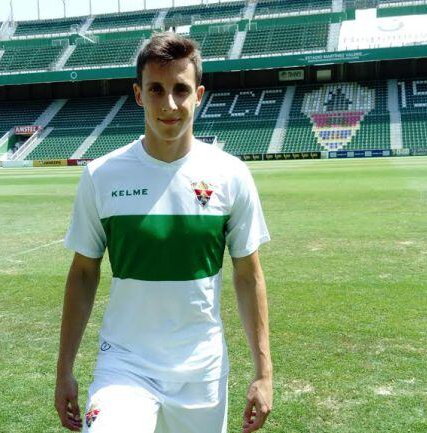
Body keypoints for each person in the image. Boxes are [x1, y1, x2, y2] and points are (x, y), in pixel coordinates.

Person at [54, 32, 272, 433]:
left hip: (201, 372)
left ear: (199, 94)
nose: (169, 104)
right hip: (124, 365)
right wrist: (64, 370)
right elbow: (83, 273)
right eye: (156, 89)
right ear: (138, 94)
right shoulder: (101, 175)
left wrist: (264, 372)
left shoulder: (231, 174)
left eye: (180, 90)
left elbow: (248, 275)